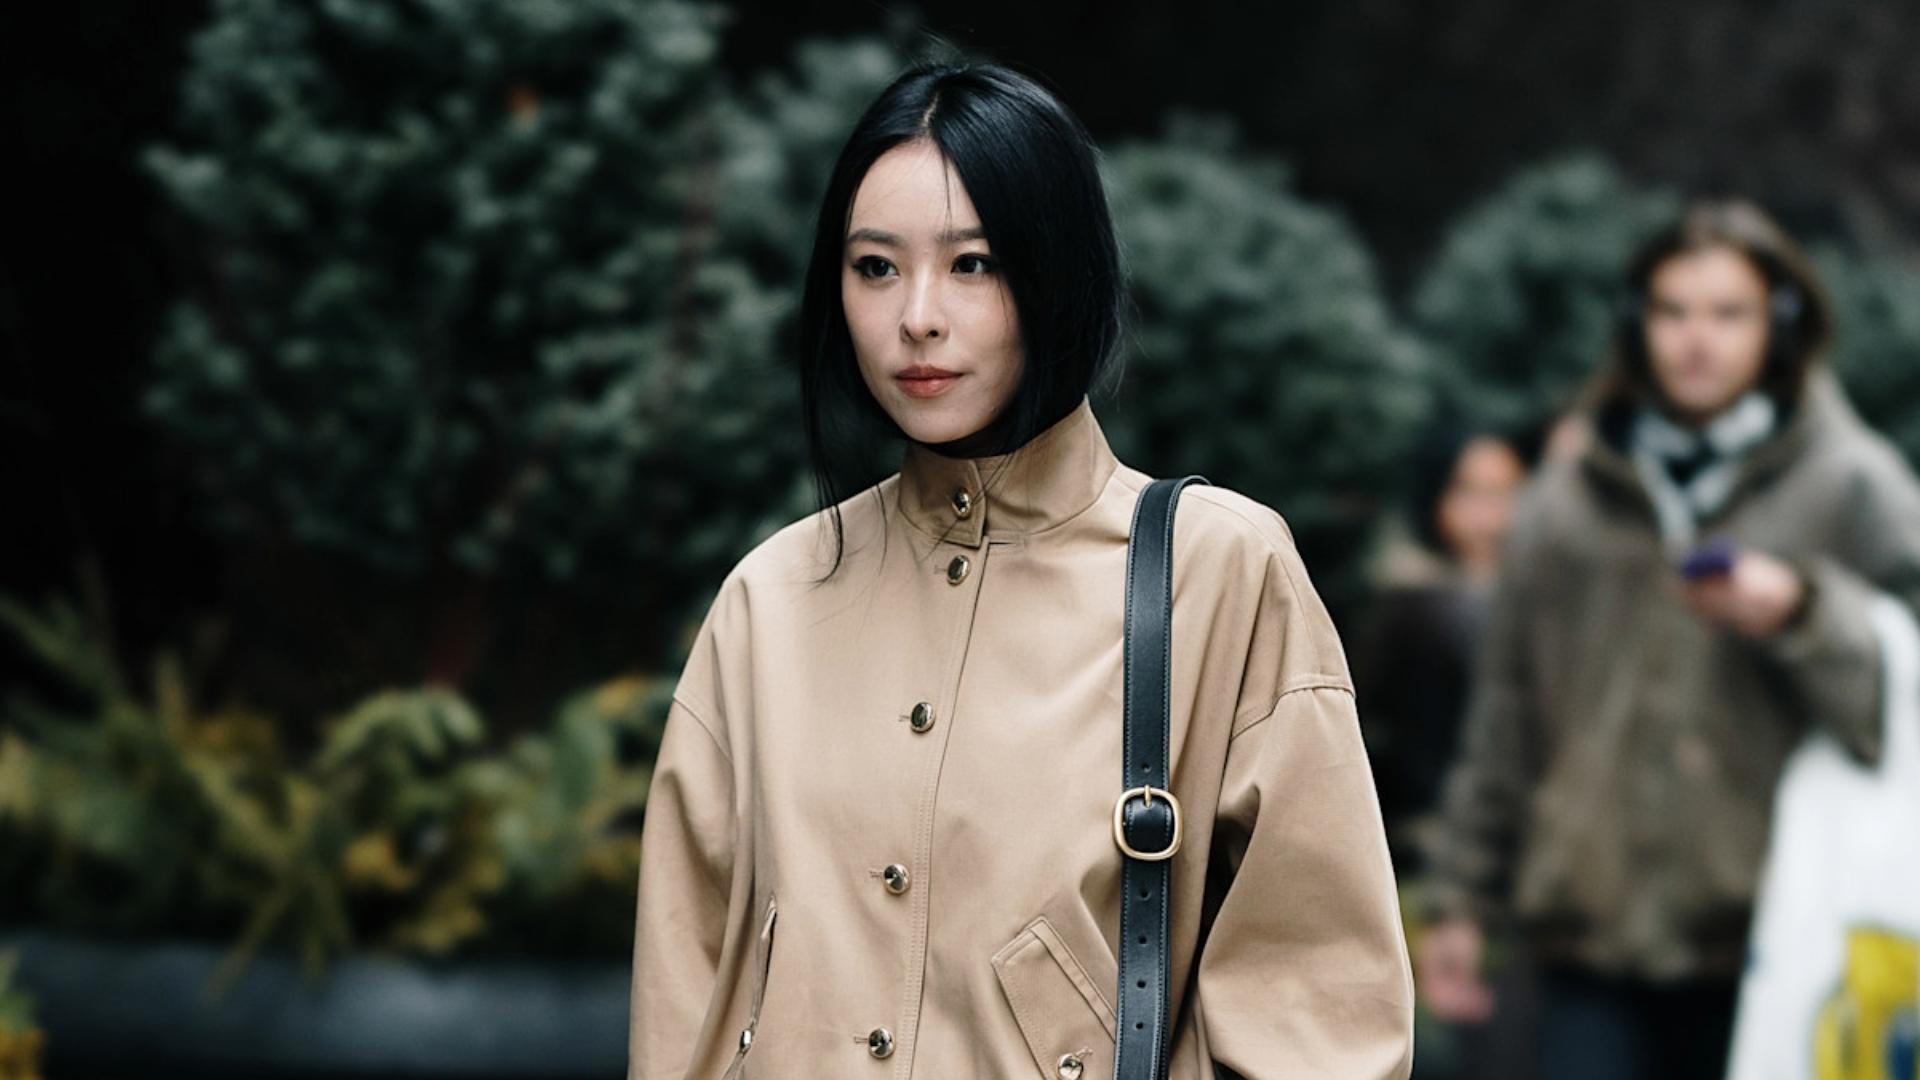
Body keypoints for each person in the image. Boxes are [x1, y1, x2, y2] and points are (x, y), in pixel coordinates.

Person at [628, 62, 1413, 1080]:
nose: (917, 315)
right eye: (875, 267)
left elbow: (1321, 1019)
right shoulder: (769, 603)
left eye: (974, 264)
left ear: (1058, 271)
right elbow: (683, 999)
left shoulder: (1219, 574)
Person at [1417, 199, 1920, 1080]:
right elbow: (1507, 710)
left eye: (1730, 314)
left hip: (1779, 940)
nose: (1698, 338)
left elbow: (1904, 682)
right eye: (1674, 310)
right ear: (1636, 323)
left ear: (1781, 324)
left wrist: (1806, 611)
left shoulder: (1853, 481)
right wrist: (1459, 897)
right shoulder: (1565, 495)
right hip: (1588, 939)